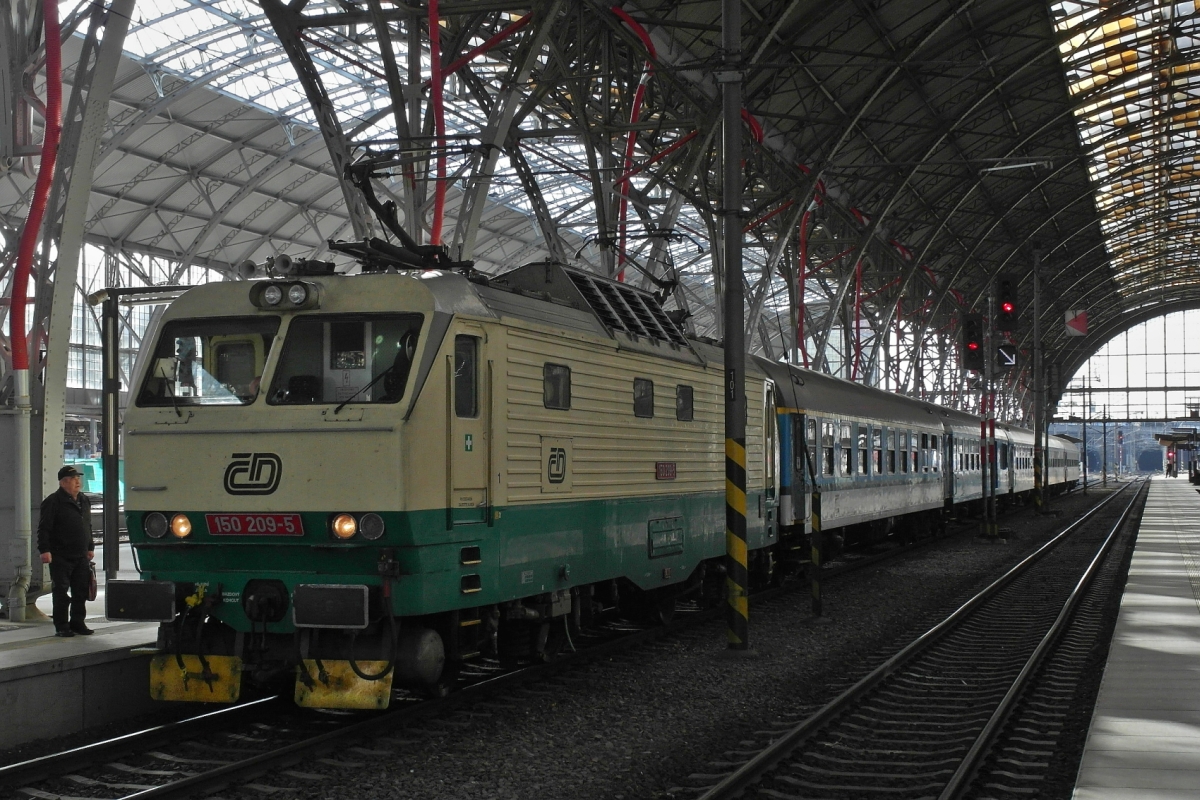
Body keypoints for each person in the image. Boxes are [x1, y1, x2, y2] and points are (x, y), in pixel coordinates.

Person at [37, 465, 97, 637]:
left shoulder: (84, 500)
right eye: (73, 479)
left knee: (80, 591)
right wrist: (44, 550)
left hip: (80, 555)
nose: (78, 482)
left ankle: (78, 622)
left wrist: (90, 547)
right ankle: (62, 625)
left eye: (78, 479)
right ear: (63, 482)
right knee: (61, 592)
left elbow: (87, 526)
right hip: (60, 555)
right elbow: (44, 528)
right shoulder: (53, 502)